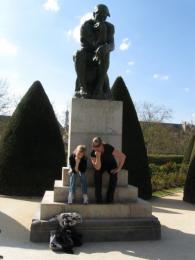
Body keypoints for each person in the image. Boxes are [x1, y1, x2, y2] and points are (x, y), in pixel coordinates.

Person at [74, 4, 115, 99]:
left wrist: (106, 47)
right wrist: (102, 31)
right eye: (100, 15)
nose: (102, 18)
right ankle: (83, 88)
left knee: (105, 53)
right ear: (94, 14)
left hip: (100, 57)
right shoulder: (86, 25)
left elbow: (112, 45)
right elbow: (92, 44)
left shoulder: (110, 27)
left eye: (105, 16)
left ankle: (98, 88)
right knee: (78, 54)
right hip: (88, 55)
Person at [90, 137, 126, 203]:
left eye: (98, 146)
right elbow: (97, 168)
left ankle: (110, 198)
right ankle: (99, 199)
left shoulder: (108, 147)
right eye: (94, 146)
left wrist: (118, 169)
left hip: (111, 165)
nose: (96, 148)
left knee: (114, 175)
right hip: (100, 166)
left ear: (101, 145)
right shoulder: (93, 153)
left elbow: (123, 156)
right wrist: (98, 156)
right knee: (97, 174)